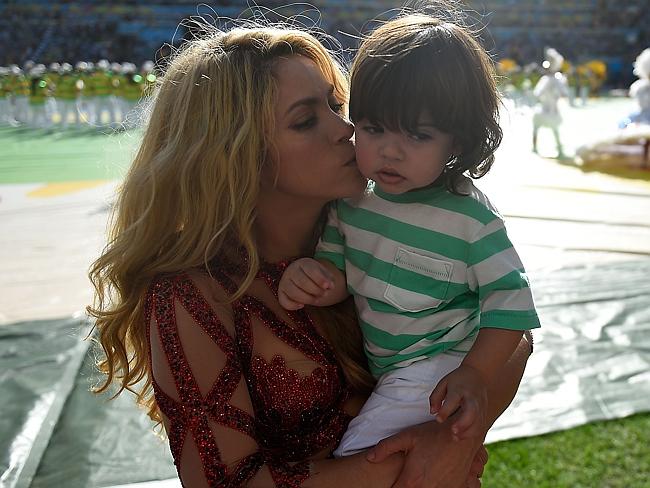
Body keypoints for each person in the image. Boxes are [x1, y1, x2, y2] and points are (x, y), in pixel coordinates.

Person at [88, 19, 533, 488]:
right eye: (305, 120)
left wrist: (453, 439)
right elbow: (224, 481)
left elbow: (511, 333)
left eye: (336, 105)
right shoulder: (192, 293)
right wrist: (418, 461)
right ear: (236, 154)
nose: (346, 129)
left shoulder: (375, 225)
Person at [278, 13, 540, 457]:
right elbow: (339, 273)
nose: (390, 151)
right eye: (373, 128)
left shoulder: (470, 218)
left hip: (441, 366)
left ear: (458, 142)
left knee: (361, 455)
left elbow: (511, 305)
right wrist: (313, 278)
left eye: (417, 135)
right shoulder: (351, 203)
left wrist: (476, 373)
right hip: (388, 369)